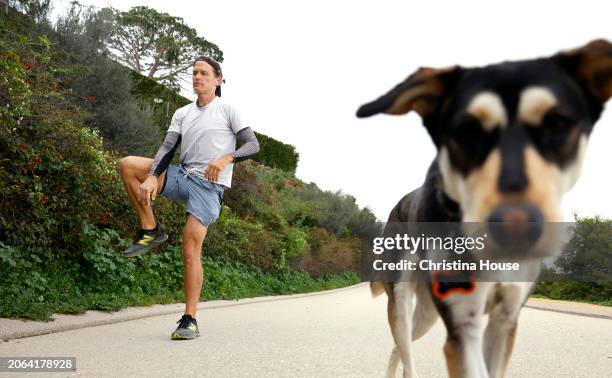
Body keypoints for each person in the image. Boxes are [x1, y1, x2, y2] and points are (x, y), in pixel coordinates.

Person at [118, 56, 259, 340]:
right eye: (194, 72)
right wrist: (153, 175)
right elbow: (167, 147)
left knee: (189, 250)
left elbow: (253, 144)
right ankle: (150, 229)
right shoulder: (183, 113)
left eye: (204, 73)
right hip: (182, 176)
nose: (197, 77)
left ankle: (189, 319)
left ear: (218, 80)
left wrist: (227, 158)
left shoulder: (227, 110)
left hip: (209, 188)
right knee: (128, 165)